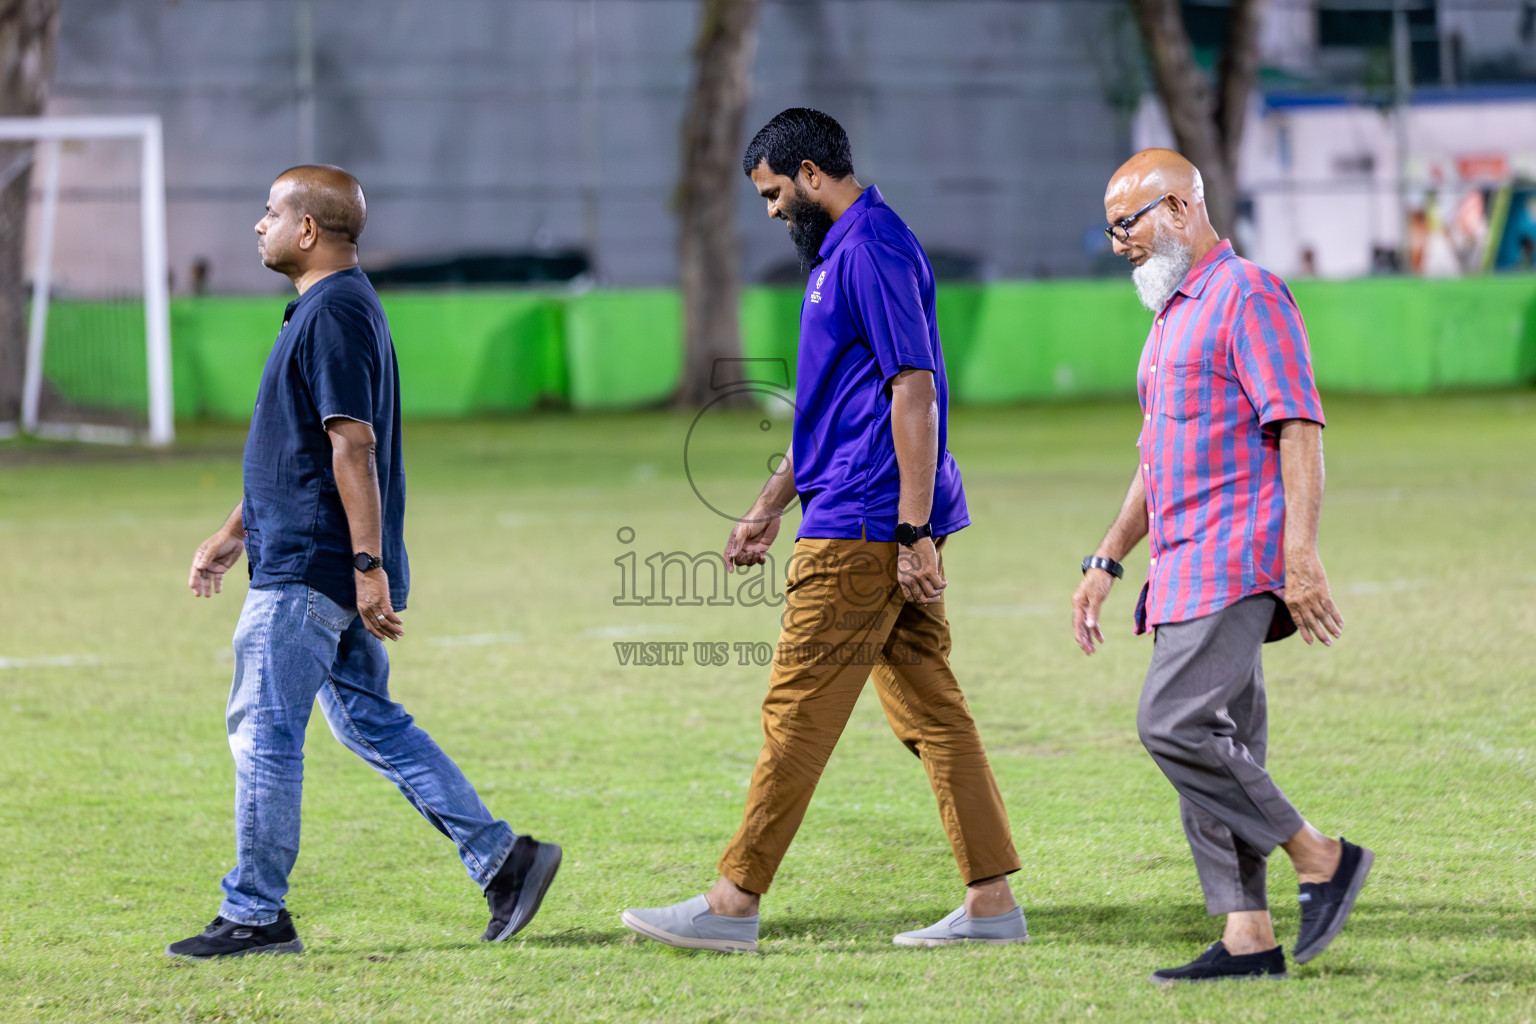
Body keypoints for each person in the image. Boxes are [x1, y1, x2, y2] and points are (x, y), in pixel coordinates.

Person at [621, 108, 1026, 953]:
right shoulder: (844, 252)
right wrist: (770, 505)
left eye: (773, 193)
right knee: (933, 710)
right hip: (866, 511)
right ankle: (992, 904)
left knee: (797, 711)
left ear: (811, 173)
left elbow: (912, 391)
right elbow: (833, 414)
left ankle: (730, 905)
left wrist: (911, 531)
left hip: (867, 524)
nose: (769, 211)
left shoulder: (871, 247)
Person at [166, 165, 560, 960]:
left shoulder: (337, 312)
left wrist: (368, 564)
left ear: (308, 229)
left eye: (270, 211)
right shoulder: (324, 307)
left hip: (311, 569)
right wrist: (233, 531)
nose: (258, 224)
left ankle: (255, 913)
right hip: (310, 556)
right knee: (367, 721)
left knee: (263, 732)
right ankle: (504, 860)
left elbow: (354, 446)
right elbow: (303, 447)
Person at [1071, 149, 1374, 984]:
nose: (1117, 243)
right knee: (1217, 745)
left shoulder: (1249, 295)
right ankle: (1249, 937)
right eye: (1110, 228)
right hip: (1178, 566)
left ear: (1177, 207)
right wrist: (1108, 556)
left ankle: (1322, 858)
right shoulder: (1171, 315)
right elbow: (1154, 458)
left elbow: (1300, 428)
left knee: (1171, 723)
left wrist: (1300, 557)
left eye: (1125, 224)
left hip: (1235, 559)